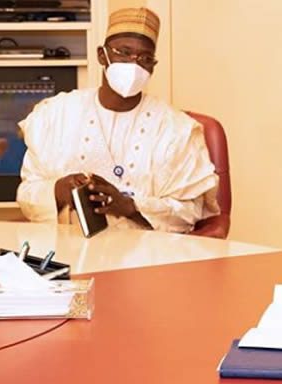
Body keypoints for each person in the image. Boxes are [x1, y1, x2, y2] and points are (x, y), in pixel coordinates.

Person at [17, 7, 219, 233]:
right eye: (123, 52)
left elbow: (189, 211)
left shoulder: (175, 129)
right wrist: (57, 190)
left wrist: (131, 207)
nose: (134, 64)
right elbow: (26, 194)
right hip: (69, 250)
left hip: (146, 258)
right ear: (102, 55)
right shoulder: (56, 115)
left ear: (153, 66)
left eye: (145, 58)